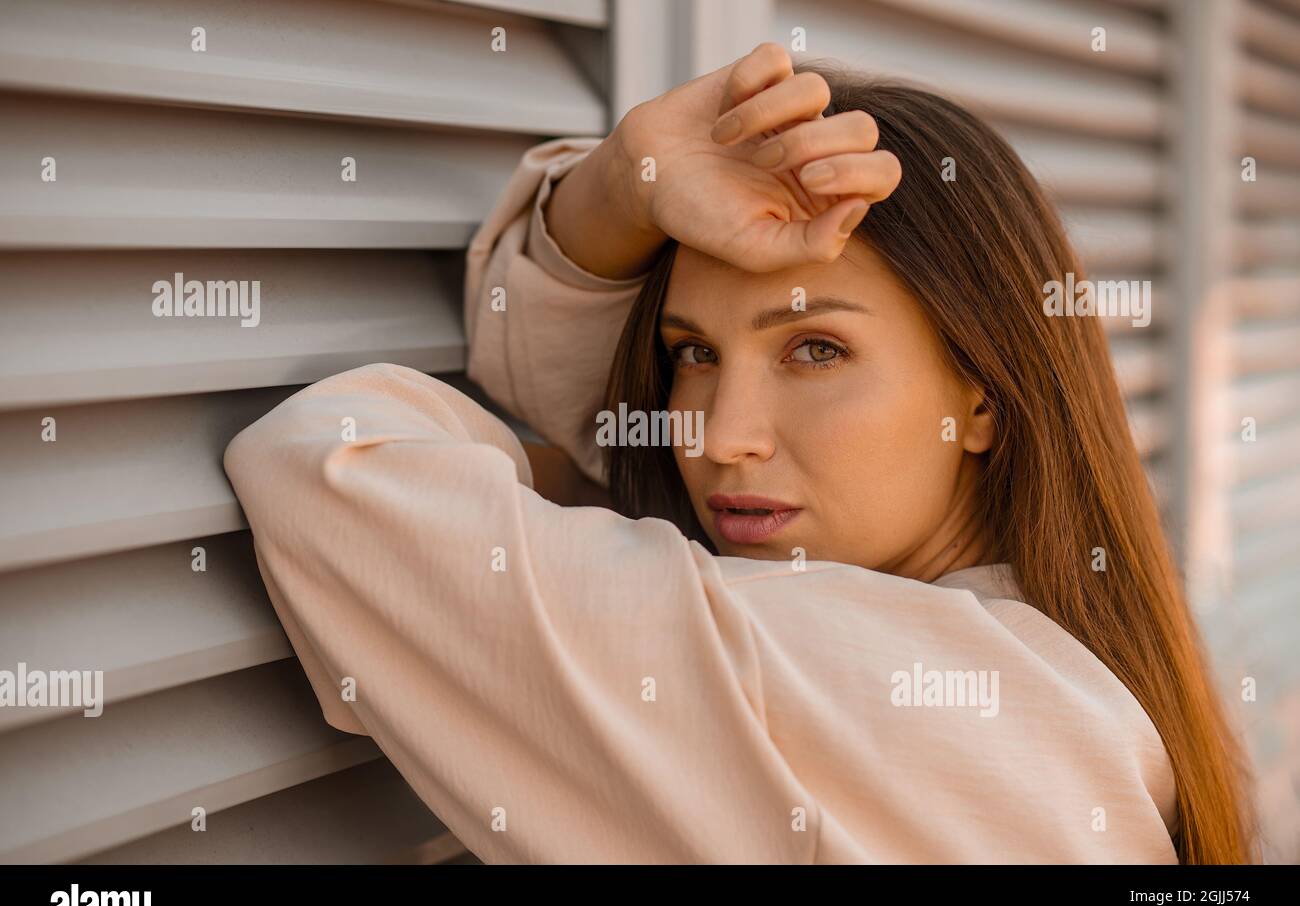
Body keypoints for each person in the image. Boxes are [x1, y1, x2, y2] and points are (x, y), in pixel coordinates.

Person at [223, 45, 1257, 864]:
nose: (716, 436)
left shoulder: (878, 687)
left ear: (982, 397)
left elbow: (328, 470)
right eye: (692, 354)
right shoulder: (1058, 673)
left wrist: (554, 480)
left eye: (817, 348)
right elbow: (605, 413)